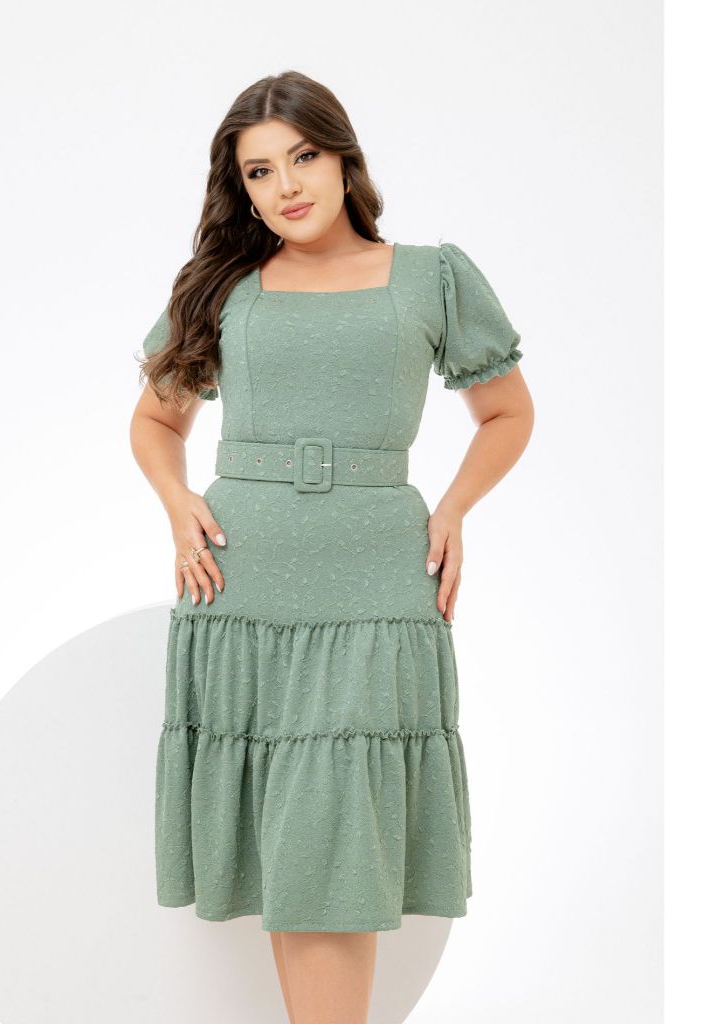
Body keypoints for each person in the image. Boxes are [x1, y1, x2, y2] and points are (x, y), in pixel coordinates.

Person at [130, 69, 534, 1024]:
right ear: (242, 189)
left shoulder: (432, 275)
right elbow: (155, 421)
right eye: (259, 171)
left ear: (345, 159)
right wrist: (177, 503)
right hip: (241, 575)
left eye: (303, 157)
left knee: (332, 827)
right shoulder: (223, 287)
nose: (287, 186)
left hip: (376, 574)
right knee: (286, 824)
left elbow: (508, 412)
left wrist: (455, 507)